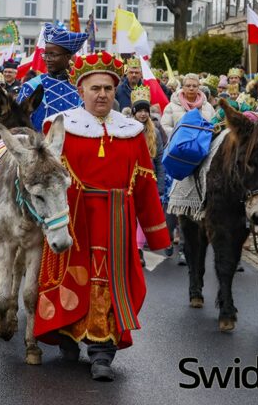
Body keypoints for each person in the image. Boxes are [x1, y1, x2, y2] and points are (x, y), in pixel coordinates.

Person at [35, 51, 170, 382]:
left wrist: (157, 235)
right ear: (81, 90)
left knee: (107, 285)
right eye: (95, 88)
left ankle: (101, 352)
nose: (102, 95)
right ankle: (67, 335)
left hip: (115, 223)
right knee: (70, 279)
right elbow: (46, 180)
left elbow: (145, 184)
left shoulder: (131, 132)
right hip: (73, 220)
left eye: (108, 89)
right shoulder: (59, 127)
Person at [16, 23, 87, 131]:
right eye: (46, 54)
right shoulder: (31, 87)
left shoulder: (80, 88)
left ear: (68, 57)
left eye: (53, 55)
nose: (47, 59)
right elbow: (18, 124)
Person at [131, 85, 166, 267]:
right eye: (140, 111)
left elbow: (159, 160)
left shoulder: (155, 132)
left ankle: (139, 248)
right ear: (134, 112)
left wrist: (160, 185)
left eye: (146, 111)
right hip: (130, 177)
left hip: (149, 178)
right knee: (131, 214)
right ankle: (130, 247)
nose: (143, 114)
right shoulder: (127, 129)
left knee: (143, 215)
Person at [161, 73, 216, 138]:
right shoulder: (171, 106)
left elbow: (214, 126)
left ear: (198, 87)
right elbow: (164, 127)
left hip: (204, 143)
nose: (191, 88)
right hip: (179, 142)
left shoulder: (208, 107)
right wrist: (181, 134)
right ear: (183, 87)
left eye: (194, 86)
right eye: (188, 86)